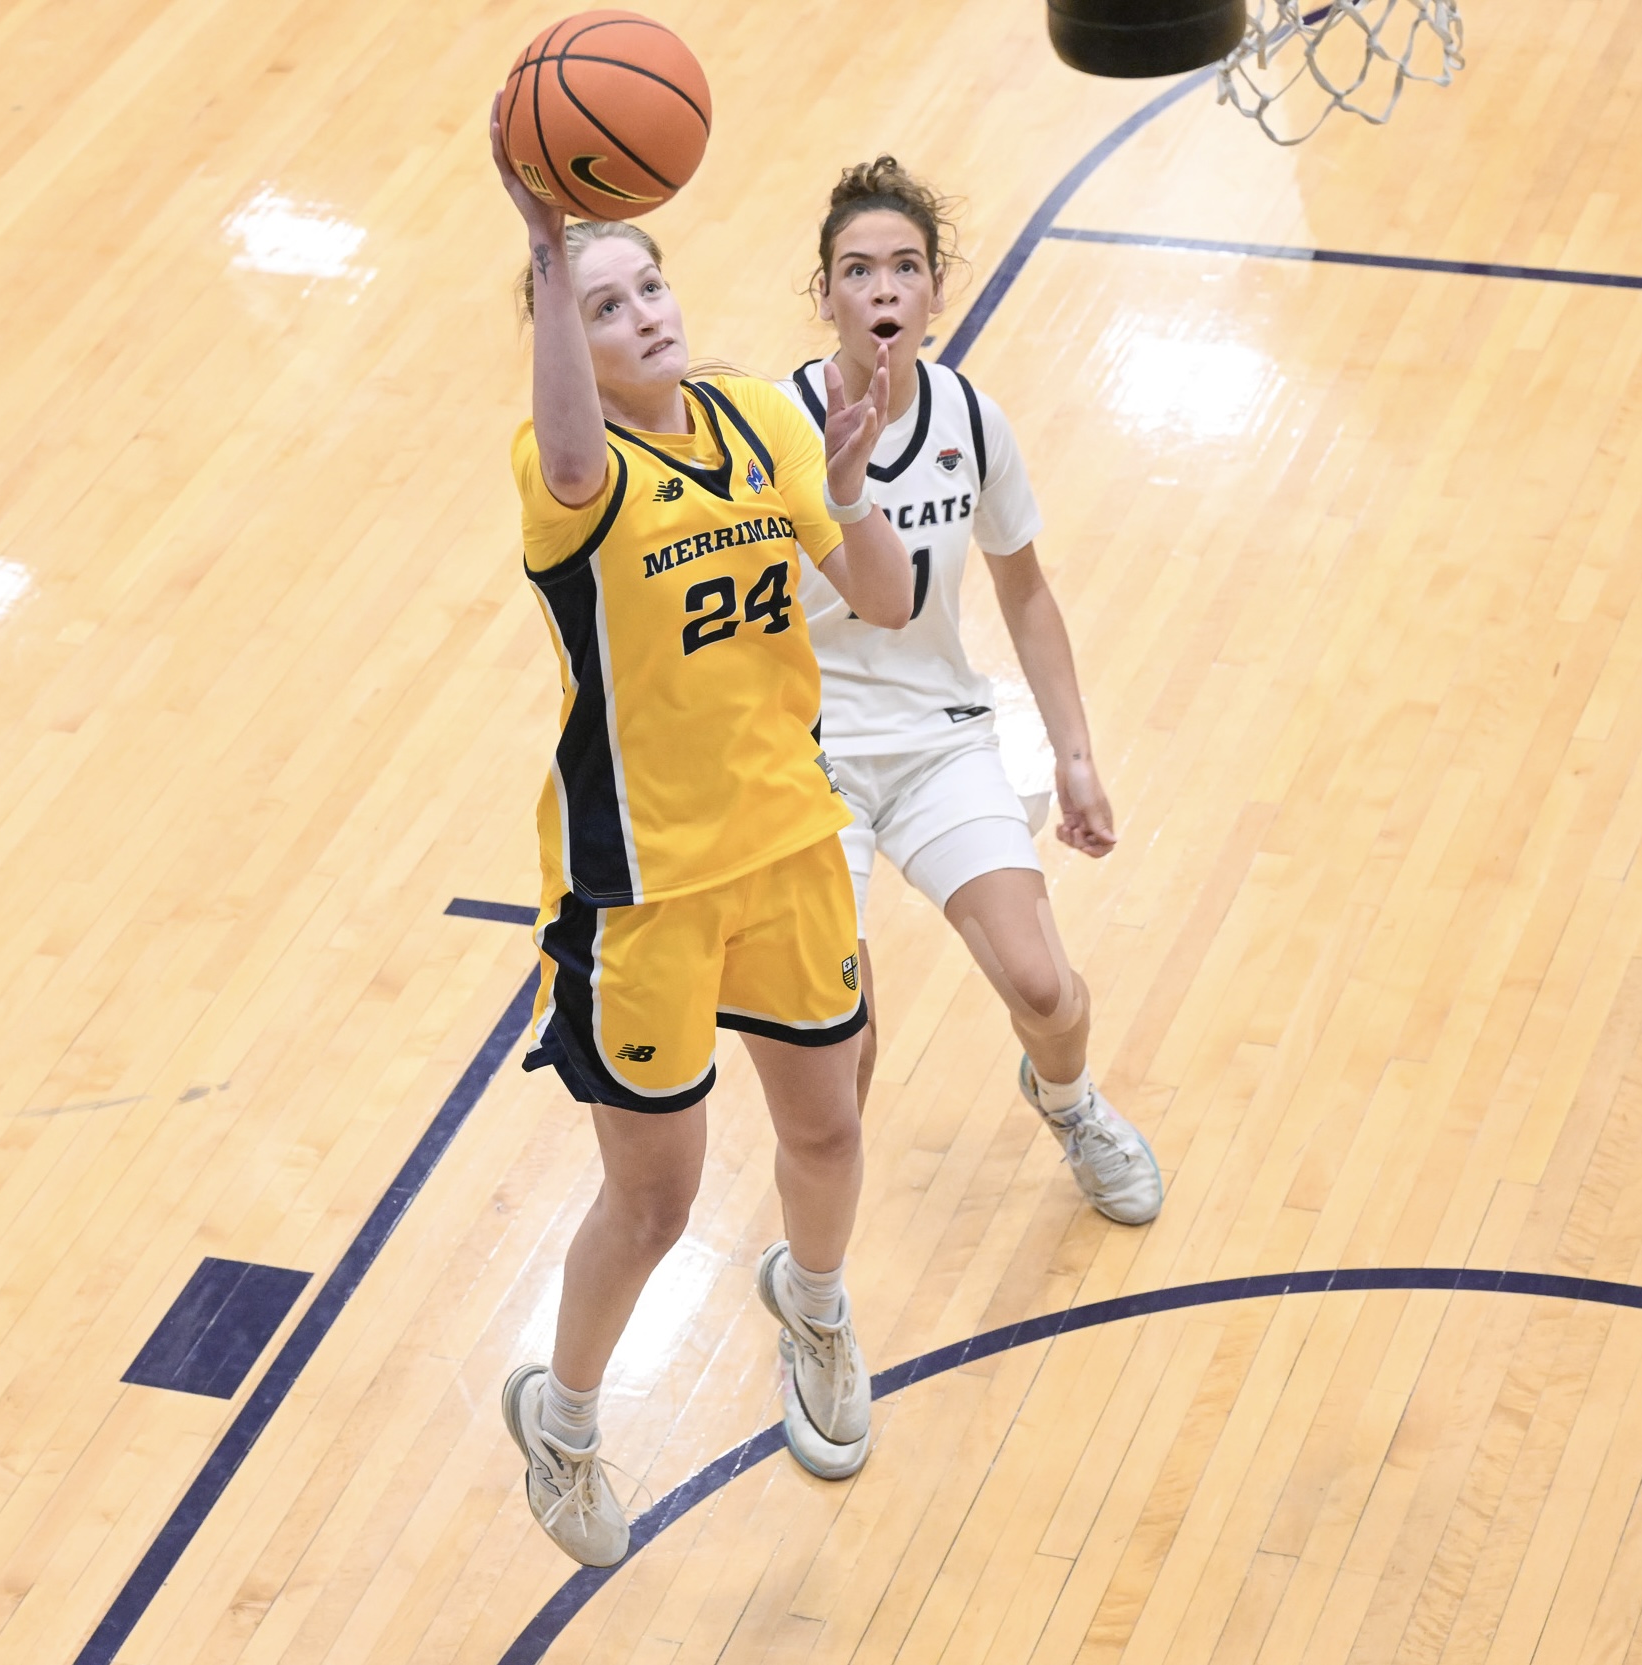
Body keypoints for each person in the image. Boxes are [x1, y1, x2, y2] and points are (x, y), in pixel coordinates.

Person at [489, 104, 917, 1567]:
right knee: (655, 1199)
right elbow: (559, 436)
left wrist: (851, 489)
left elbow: (889, 600)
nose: (642, 316)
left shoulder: (756, 418)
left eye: (649, 286)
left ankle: (812, 1300)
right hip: (643, 889)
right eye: (601, 307)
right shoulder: (570, 482)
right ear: (567, 340)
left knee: (829, 1119)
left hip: (787, 841)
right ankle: (564, 1409)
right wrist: (545, 247)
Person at [781, 157, 1164, 1227]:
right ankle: (820, 1292)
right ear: (826, 298)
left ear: (937, 291)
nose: (885, 289)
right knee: (841, 1045)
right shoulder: (772, 429)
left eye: (906, 267)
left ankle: (1069, 1100)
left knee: (1042, 987)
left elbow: (1026, 592)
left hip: (939, 741)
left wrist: (1075, 755)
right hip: (801, 763)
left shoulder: (971, 420)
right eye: (858, 270)